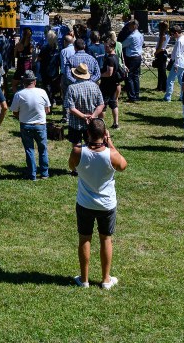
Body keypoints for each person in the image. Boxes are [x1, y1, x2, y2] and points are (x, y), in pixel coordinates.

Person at [69, 117, 128, 290]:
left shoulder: (78, 152)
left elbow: (72, 167)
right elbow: (123, 166)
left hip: (85, 203)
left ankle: (84, 279)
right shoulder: (111, 155)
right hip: (106, 205)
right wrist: (110, 143)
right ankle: (105, 280)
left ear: (88, 133)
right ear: (104, 134)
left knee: (84, 239)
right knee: (106, 239)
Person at [10, 71, 52, 180]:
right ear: (34, 81)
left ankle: (32, 174)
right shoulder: (42, 92)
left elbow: (14, 111)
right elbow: (48, 110)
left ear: (23, 82)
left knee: (29, 150)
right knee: (43, 149)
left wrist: (22, 116)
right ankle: (44, 173)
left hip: (26, 125)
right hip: (40, 125)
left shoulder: (19, 94)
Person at [63, 63, 105, 146]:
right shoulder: (95, 86)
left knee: (76, 147)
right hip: (92, 123)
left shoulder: (71, 88)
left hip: (75, 123)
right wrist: (92, 116)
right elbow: (101, 105)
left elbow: (71, 108)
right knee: (91, 146)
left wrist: (83, 116)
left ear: (76, 75)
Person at [98, 37, 123, 129]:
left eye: (106, 47)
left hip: (107, 85)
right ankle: (116, 123)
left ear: (112, 47)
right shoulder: (115, 56)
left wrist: (100, 75)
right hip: (113, 84)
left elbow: (109, 73)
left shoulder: (110, 59)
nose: (105, 48)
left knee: (103, 104)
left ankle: (101, 124)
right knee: (113, 103)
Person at [117, 18, 144, 102]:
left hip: (131, 58)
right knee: (135, 76)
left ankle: (132, 96)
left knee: (129, 77)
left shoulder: (132, 36)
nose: (128, 27)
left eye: (129, 26)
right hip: (138, 57)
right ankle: (136, 94)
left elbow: (122, 45)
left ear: (133, 26)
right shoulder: (140, 35)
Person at [164, 27, 184, 102]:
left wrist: (176, 65)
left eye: (173, 34)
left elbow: (178, 54)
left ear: (176, 33)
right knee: (181, 81)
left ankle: (168, 97)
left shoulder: (179, 41)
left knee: (170, 80)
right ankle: (183, 96)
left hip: (178, 63)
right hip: (183, 63)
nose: (172, 36)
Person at [37, 31, 62, 106]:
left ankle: (48, 101)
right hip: (55, 70)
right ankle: (52, 99)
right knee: (53, 86)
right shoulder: (57, 48)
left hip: (46, 70)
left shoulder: (45, 47)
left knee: (47, 86)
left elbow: (39, 58)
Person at [153, 21, 170, 93]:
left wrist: (156, 52)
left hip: (161, 53)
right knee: (160, 71)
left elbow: (160, 46)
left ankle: (164, 87)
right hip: (162, 53)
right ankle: (159, 87)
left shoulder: (162, 36)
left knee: (162, 72)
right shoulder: (167, 34)